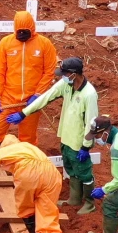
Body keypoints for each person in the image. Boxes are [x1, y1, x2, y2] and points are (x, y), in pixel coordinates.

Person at [9, 57, 98, 215]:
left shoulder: (89, 94)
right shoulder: (66, 85)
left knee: (84, 172)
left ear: (73, 74)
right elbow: (47, 97)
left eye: (64, 74)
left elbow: (92, 123)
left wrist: (86, 146)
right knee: (70, 167)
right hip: (66, 137)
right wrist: (24, 113)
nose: (61, 77)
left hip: (79, 142)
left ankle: (90, 203)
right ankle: (74, 198)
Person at [0, 11, 59, 148]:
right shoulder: (5, 43)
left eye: (25, 32)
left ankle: (24, 161)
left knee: (28, 137)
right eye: (19, 32)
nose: (22, 35)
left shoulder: (45, 44)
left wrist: (37, 95)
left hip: (31, 99)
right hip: (8, 98)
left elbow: (49, 72)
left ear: (32, 29)